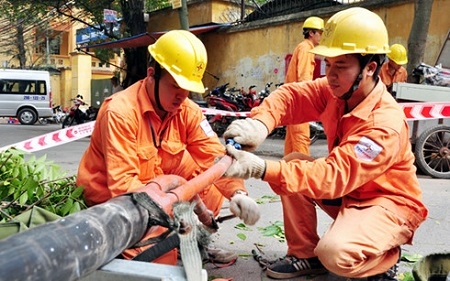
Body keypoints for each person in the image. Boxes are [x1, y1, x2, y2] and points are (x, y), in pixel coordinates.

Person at [223, 7, 428, 280]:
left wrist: (260, 168)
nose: (330, 75)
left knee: (334, 253)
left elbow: (333, 176)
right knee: (294, 164)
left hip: (386, 204)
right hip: (351, 194)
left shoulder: (384, 123)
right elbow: (291, 97)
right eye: (328, 65)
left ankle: (385, 256)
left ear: (369, 68)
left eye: (340, 66)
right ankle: (304, 254)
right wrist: (260, 124)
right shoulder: (337, 91)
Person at [77, 30, 260, 265]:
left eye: (187, 89)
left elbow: (215, 158)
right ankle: (151, 245)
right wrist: (173, 213)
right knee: (161, 260)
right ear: (151, 75)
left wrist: (238, 193)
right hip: (112, 200)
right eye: (175, 86)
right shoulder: (120, 112)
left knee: (210, 185)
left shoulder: (187, 111)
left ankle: (190, 242)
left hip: (159, 189)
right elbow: (123, 187)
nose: (182, 96)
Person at [284, 16, 324, 157]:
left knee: (291, 142)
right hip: (299, 102)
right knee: (301, 139)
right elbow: (304, 79)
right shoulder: (307, 49)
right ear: (311, 33)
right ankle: (302, 173)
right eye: (320, 32)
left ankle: (287, 174)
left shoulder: (302, 47)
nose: (321, 36)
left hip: (292, 101)